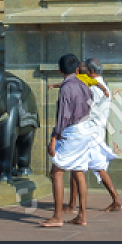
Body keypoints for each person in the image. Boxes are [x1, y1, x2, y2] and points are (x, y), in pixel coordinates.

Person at [44, 54, 94, 227]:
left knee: (56, 172)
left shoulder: (66, 88)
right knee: (79, 172)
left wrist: (53, 138)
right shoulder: (84, 85)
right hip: (85, 128)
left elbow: (63, 117)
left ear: (60, 70)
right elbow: (90, 102)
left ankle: (58, 217)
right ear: (77, 69)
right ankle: (82, 215)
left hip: (71, 131)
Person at [78, 59, 122, 212]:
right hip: (94, 130)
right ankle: (72, 203)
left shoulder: (94, 88)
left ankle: (116, 200)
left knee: (95, 166)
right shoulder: (100, 86)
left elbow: (85, 108)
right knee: (77, 166)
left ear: (90, 71)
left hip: (91, 132)